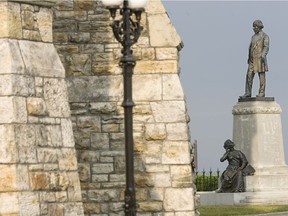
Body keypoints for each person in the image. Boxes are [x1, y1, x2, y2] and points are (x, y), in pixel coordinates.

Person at [240, 20, 269, 98]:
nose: (253, 28)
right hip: (252, 60)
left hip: (260, 59)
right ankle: (247, 93)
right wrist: (249, 57)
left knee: (261, 76)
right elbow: (250, 48)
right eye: (253, 26)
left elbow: (266, 47)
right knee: (249, 76)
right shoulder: (253, 37)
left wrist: (263, 55)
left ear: (259, 27)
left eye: (255, 26)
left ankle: (261, 92)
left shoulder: (264, 36)